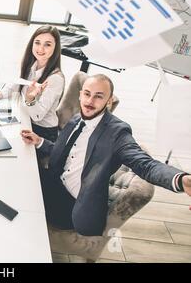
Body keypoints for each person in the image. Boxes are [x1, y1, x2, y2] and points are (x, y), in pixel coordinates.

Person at [21, 74, 191, 236]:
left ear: (109, 101)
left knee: (21, 202)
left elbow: (145, 164)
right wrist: (40, 141)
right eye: (87, 94)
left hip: (74, 207)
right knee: (19, 175)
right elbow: (63, 152)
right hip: (56, 182)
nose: (90, 101)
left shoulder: (117, 132)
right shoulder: (76, 119)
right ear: (80, 95)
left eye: (98, 96)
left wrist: (181, 179)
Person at [0, 25, 65, 142]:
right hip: (25, 118)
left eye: (47, 44)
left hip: (42, 132)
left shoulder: (55, 79)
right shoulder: (31, 65)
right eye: (37, 43)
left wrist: (29, 99)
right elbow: (14, 85)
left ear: (55, 48)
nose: (40, 49)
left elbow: (37, 116)